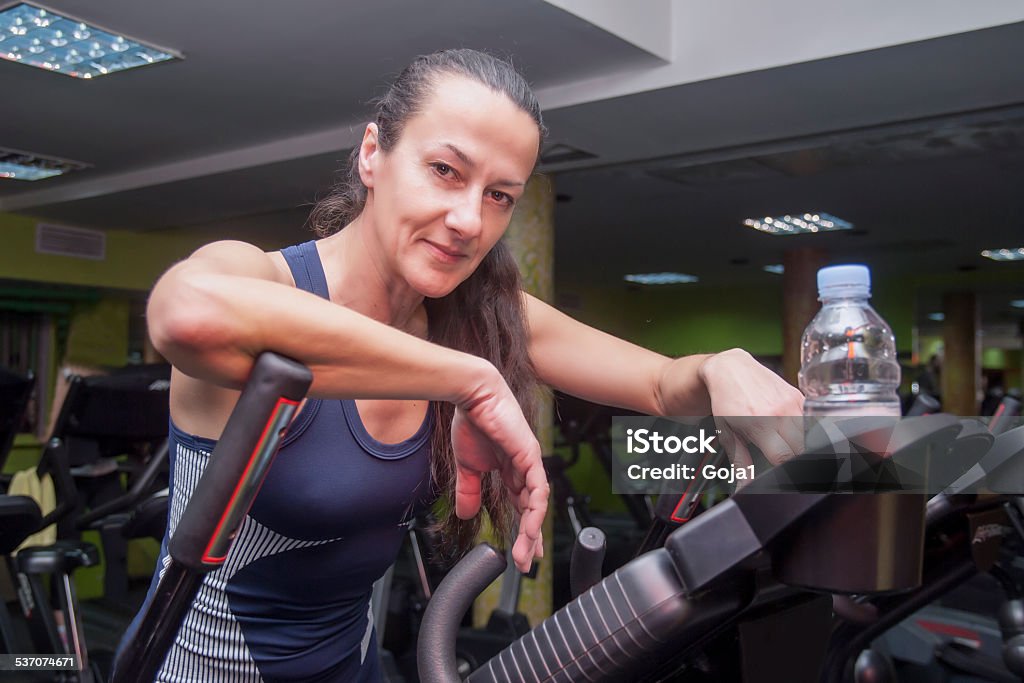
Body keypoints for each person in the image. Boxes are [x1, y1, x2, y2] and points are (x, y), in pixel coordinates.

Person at [116, 48, 804, 682]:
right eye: (445, 171)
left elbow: (658, 383)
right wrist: (466, 377)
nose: (469, 219)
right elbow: (185, 315)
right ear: (372, 154)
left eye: (500, 194)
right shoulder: (260, 281)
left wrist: (720, 365)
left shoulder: (481, 316)